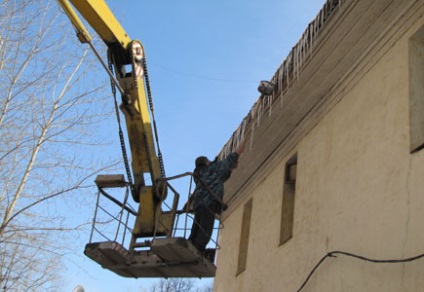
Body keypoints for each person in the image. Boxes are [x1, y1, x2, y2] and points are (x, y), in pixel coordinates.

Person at [189, 143, 245, 253]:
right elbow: (227, 162)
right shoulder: (211, 169)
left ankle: (191, 244)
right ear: (206, 162)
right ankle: (198, 249)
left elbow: (220, 176)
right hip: (209, 203)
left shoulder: (199, 175)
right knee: (205, 229)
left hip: (199, 204)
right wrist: (240, 150)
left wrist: (230, 169)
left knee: (197, 227)